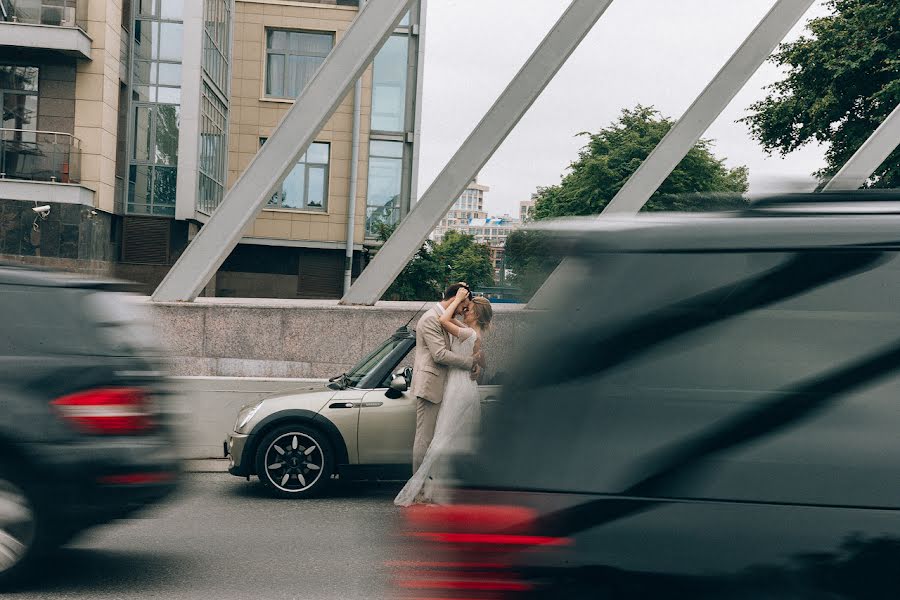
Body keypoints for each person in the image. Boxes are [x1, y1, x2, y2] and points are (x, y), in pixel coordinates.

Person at [395, 286, 493, 507]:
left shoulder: (452, 322)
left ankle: (436, 486)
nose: (463, 310)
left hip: (451, 386)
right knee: (426, 438)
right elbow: (439, 354)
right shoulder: (432, 318)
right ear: (455, 299)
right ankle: (420, 489)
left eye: (467, 308)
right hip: (432, 385)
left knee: (443, 438)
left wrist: (475, 364)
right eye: (463, 305)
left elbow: (473, 348)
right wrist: (472, 363)